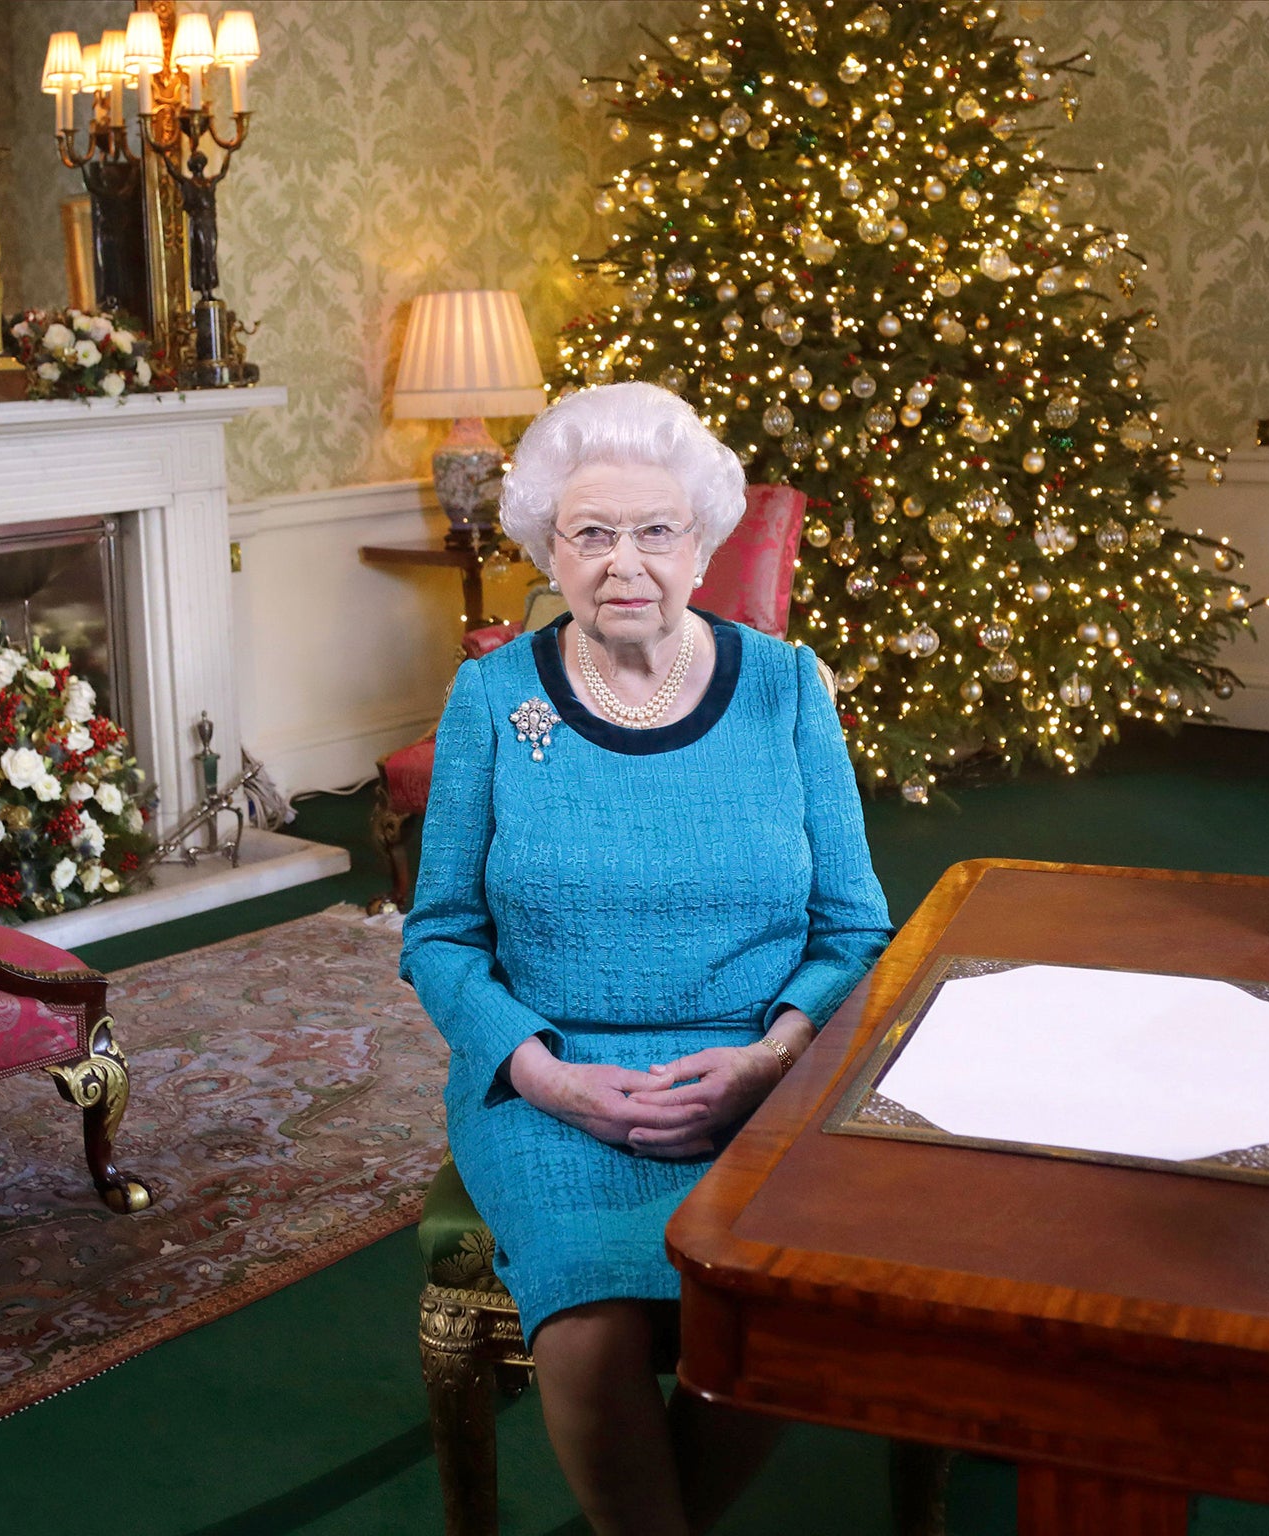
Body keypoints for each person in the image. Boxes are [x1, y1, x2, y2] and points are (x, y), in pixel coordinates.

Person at [400, 382, 892, 1535]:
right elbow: (440, 935)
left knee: (789, 1298)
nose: (625, 564)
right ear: (548, 548)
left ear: (702, 543)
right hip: (555, 1087)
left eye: (654, 532)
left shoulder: (783, 689)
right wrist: (538, 1071)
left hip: (755, 1081)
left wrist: (767, 1062)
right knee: (590, 1320)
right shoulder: (492, 697)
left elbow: (855, 929)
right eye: (591, 534)